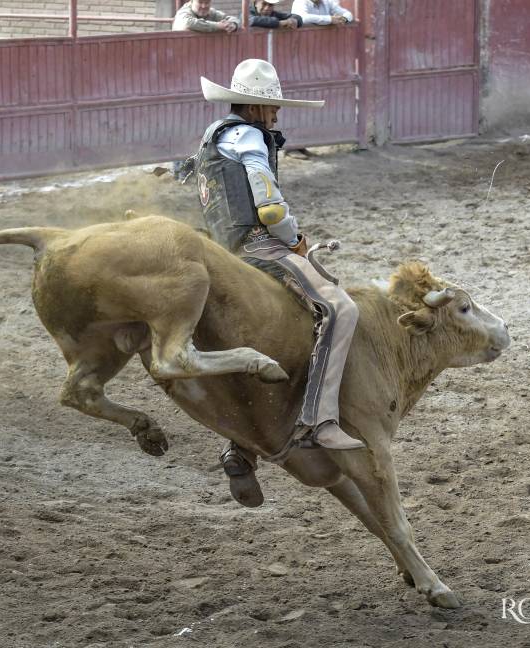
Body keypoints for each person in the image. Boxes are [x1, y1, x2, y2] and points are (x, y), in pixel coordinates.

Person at [193, 59, 365, 507]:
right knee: (340, 309)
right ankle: (319, 418)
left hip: (220, 249)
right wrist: (295, 240)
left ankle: (240, 446)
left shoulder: (213, 137)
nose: (277, 115)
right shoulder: (250, 138)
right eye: (272, 107)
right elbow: (268, 207)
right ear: (256, 106)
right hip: (256, 248)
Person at [172, 0, 239, 33]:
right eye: (200, 2)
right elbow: (189, 23)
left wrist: (233, 25)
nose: (203, 6)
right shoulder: (183, 12)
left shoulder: (212, 12)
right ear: (192, 1)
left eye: (207, 2)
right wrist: (217, 26)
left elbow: (232, 18)